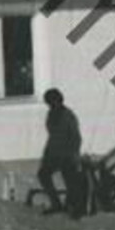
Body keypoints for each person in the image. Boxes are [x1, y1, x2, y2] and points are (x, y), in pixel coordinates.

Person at [37, 88, 84, 217]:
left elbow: (76, 137)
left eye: (52, 102)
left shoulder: (68, 115)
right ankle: (56, 203)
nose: (51, 105)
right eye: (48, 103)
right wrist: (46, 154)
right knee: (43, 175)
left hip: (66, 154)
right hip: (53, 153)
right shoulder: (51, 114)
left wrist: (74, 154)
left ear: (58, 100)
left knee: (70, 181)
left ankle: (73, 208)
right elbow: (52, 136)